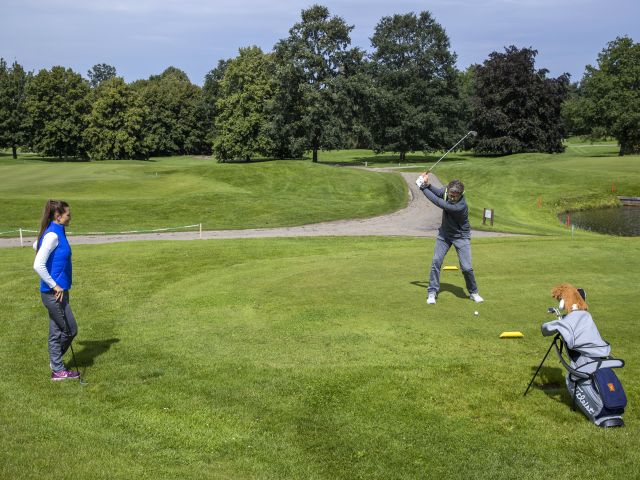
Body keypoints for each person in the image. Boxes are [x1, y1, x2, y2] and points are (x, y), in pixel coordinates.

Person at [417, 173, 483, 305]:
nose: (451, 198)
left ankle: (473, 292)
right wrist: (427, 184)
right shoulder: (447, 193)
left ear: (461, 194)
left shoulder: (460, 206)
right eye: (450, 195)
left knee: (467, 268)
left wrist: (422, 187)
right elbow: (438, 192)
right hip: (444, 235)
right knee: (436, 262)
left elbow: (438, 201)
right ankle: (432, 291)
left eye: (455, 196)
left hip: (461, 237)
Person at [33, 200, 80, 381]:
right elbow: (38, 264)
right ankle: (57, 367)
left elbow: (36, 245)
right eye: (68, 214)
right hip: (53, 293)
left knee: (56, 332)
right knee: (69, 329)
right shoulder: (52, 235)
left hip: (60, 291)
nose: (70, 217)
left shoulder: (56, 231)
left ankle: (57, 368)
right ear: (58, 216)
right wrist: (54, 285)